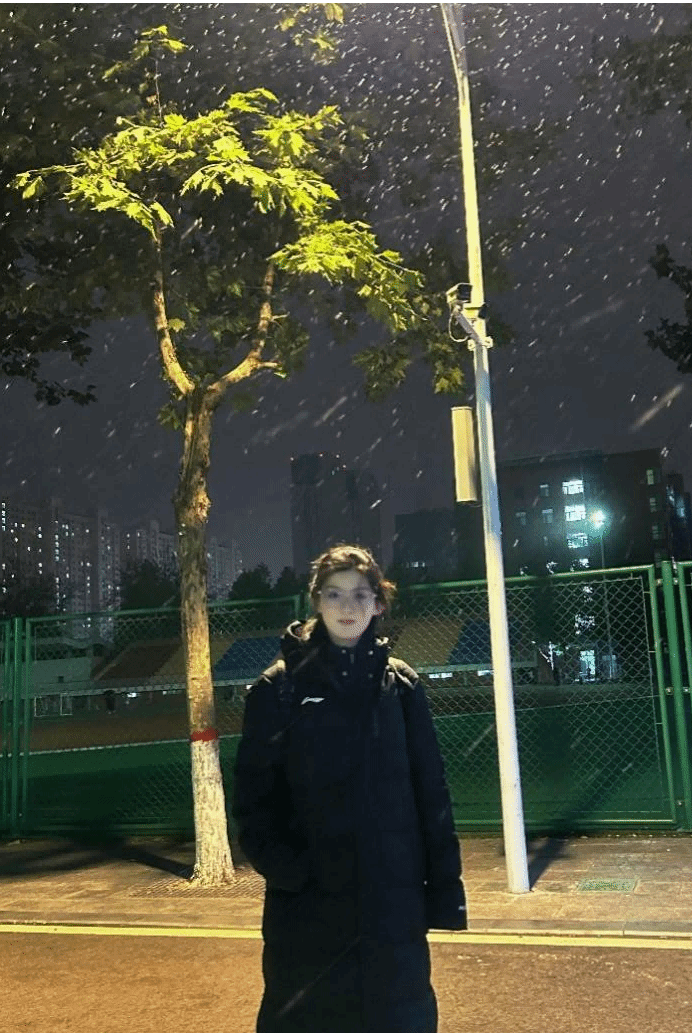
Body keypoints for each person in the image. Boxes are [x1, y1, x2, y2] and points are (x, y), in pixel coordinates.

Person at [232, 543, 466, 1033]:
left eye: (360, 594)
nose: (347, 606)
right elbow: (253, 802)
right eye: (334, 594)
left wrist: (443, 890)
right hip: (308, 912)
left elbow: (432, 794)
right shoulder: (278, 689)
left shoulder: (402, 686)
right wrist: (295, 872)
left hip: (391, 905)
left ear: (379, 603)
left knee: (396, 1017)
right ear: (316, 601)